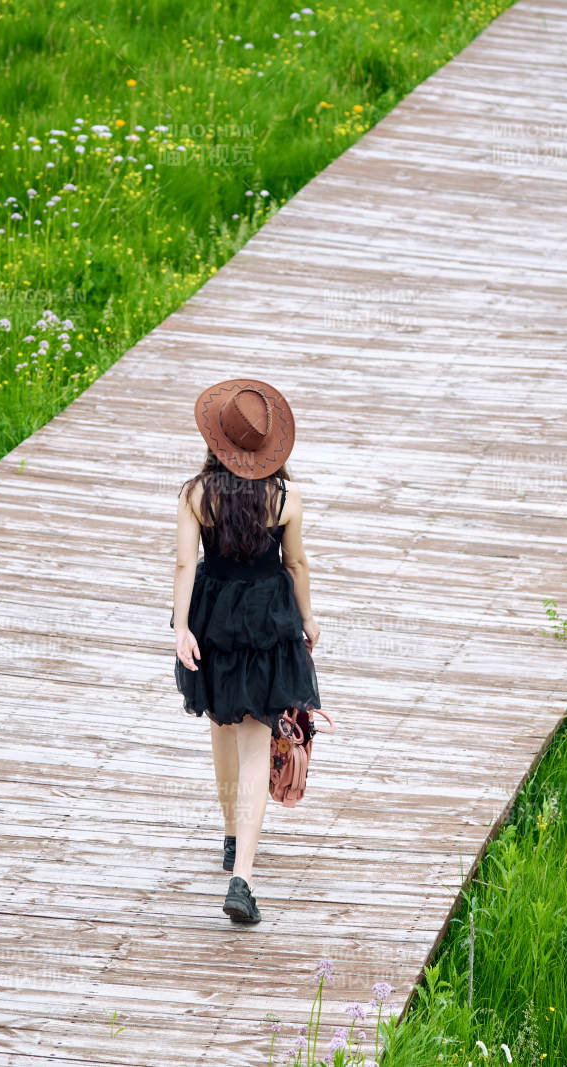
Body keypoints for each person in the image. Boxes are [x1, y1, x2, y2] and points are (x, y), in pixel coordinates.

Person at [171, 379, 321, 924]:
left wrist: (182, 627)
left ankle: (232, 836)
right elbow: (296, 565)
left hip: (212, 621)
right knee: (258, 746)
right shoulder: (285, 498)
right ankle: (243, 879)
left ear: (216, 441)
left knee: (221, 727)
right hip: (267, 623)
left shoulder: (195, 495)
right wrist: (308, 619)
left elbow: (186, 565)